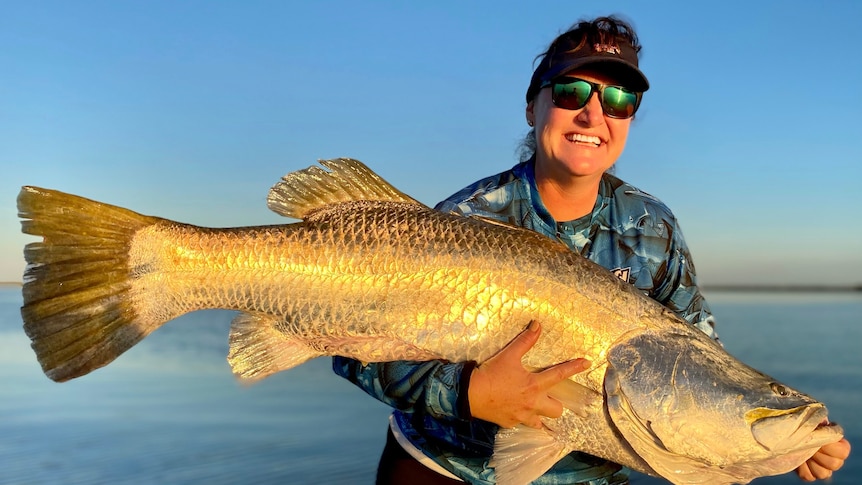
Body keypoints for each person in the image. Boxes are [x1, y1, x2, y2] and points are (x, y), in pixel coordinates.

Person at [334, 15, 850, 484]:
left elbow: (697, 363)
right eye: (571, 91)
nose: (593, 115)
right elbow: (346, 340)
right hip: (439, 465)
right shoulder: (462, 219)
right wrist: (467, 391)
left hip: (589, 475)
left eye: (619, 100)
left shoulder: (655, 226)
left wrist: (774, 446)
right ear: (532, 105)